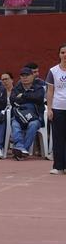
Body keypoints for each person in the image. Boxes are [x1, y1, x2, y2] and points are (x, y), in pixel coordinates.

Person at [10, 66, 47, 160]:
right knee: (15, 124)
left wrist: (23, 96)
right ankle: (21, 148)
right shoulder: (16, 88)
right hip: (20, 116)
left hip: (35, 117)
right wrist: (29, 97)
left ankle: (22, 150)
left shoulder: (39, 88)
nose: (24, 77)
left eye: (27, 75)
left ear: (32, 76)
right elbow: (12, 100)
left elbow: (38, 98)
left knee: (33, 125)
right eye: (22, 75)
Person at [48, 46, 66, 174]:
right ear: (59, 54)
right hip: (58, 108)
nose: (65, 55)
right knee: (58, 138)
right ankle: (58, 166)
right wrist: (49, 109)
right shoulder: (53, 71)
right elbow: (50, 91)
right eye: (63, 52)